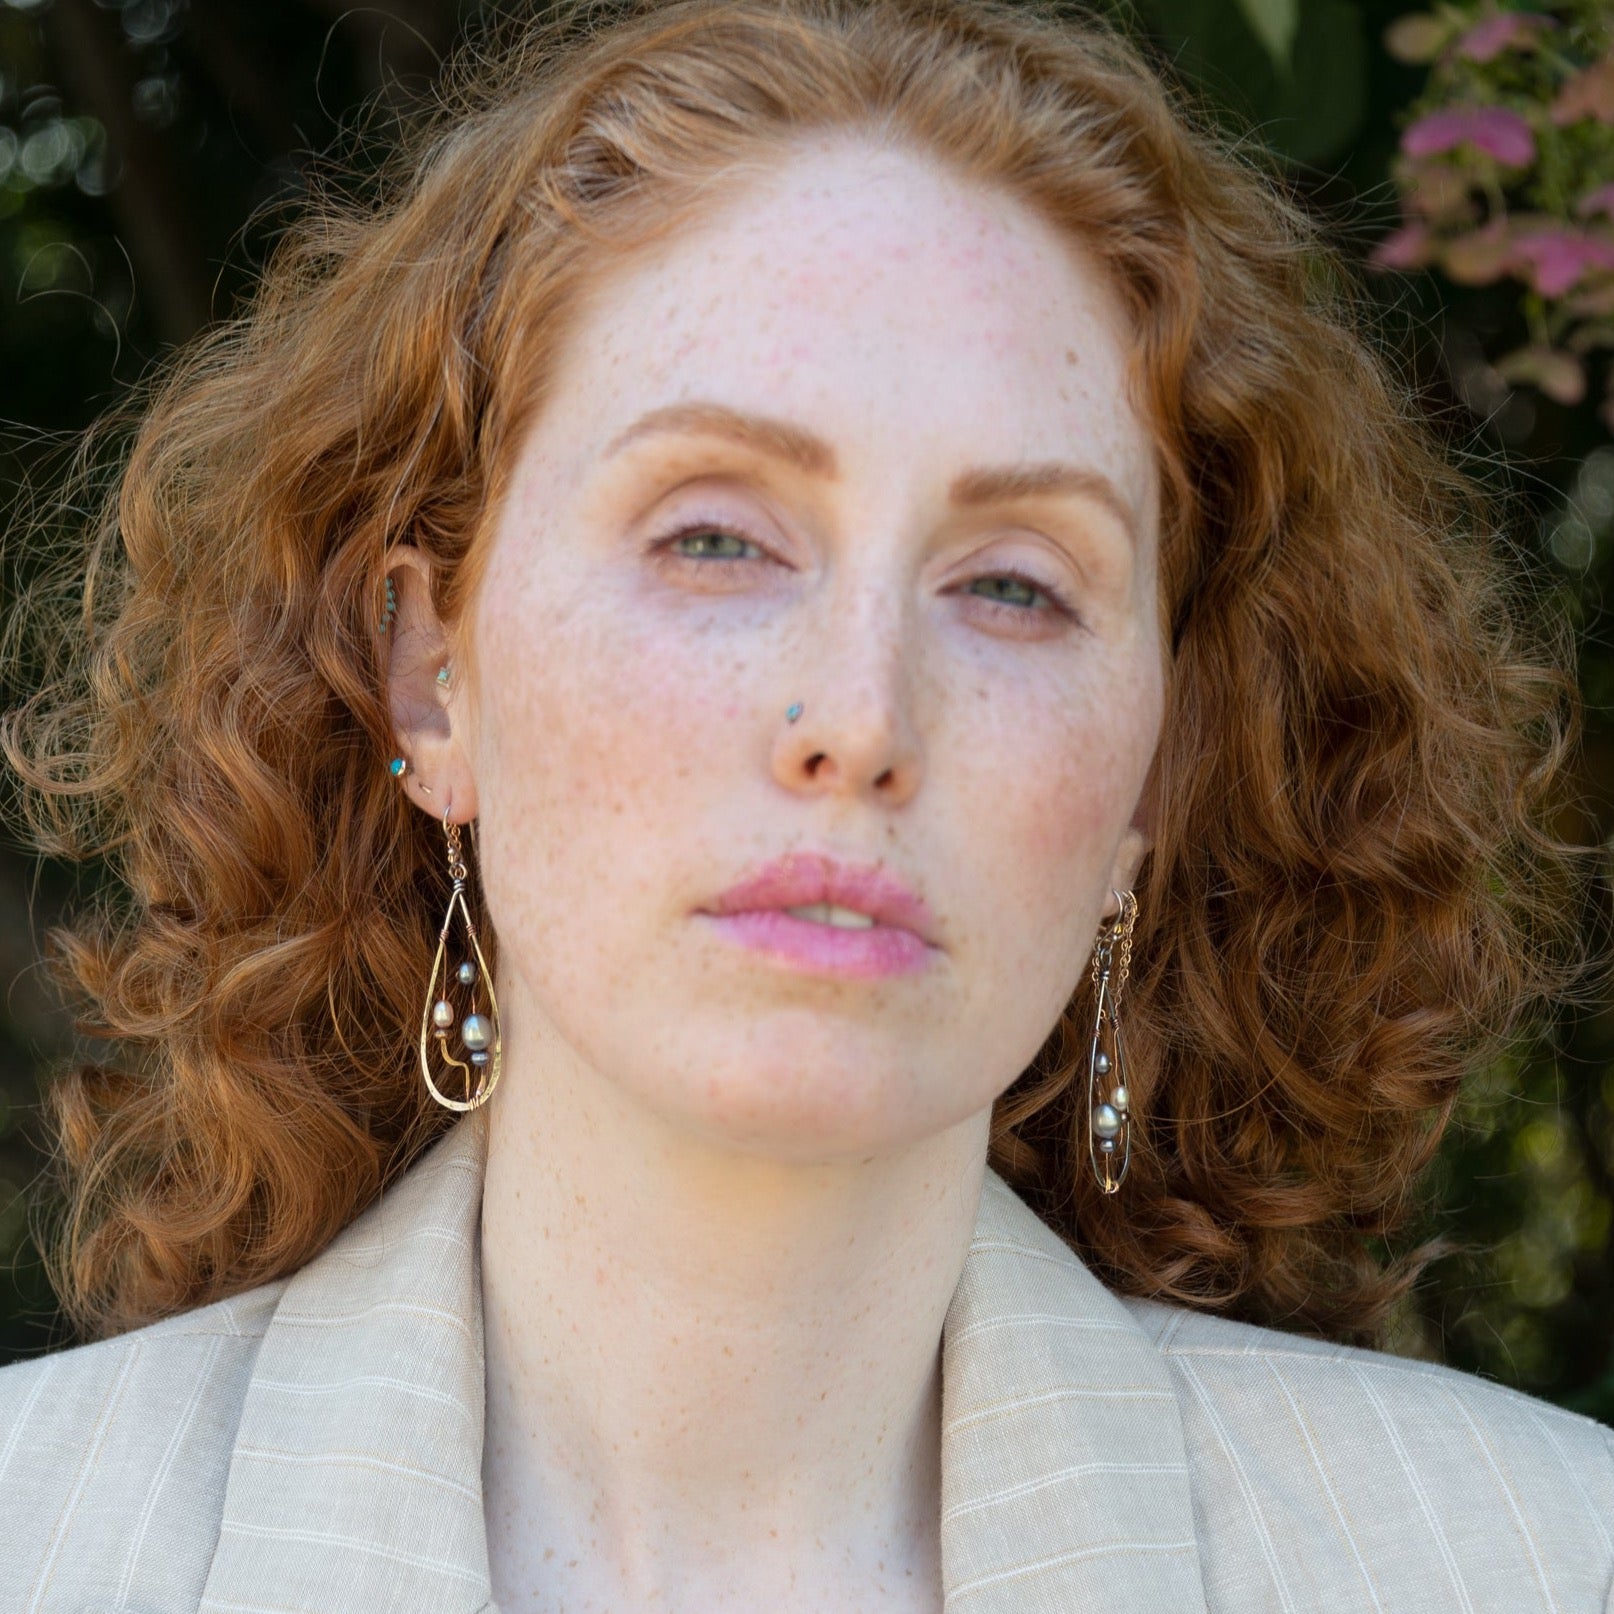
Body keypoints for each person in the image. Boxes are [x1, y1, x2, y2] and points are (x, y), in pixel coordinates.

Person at [1, 0, 1611, 1608]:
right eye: (715, 540)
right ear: (434, 680)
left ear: (1152, 778)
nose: (858, 717)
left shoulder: (1531, 1556)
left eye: (1012, 586)